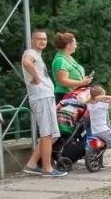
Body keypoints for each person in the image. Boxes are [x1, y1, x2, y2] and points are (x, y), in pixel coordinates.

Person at [22, 29, 65, 177]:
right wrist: (36, 77)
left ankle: (31, 164)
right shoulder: (31, 53)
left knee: (54, 135)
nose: (42, 41)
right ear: (32, 40)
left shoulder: (37, 55)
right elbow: (27, 62)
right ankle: (47, 169)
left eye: (44, 39)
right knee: (47, 133)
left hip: (46, 96)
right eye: (39, 38)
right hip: (41, 96)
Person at [86, 85, 111, 169]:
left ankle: (100, 163)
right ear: (100, 95)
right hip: (104, 130)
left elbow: (85, 100)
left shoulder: (89, 104)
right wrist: (103, 97)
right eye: (103, 94)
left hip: (94, 131)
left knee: (101, 146)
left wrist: (95, 97)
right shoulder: (103, 104)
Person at [50, 32, 92, 98]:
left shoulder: (68, 57)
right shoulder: (60, 60)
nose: (76, 46)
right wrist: (81, 83)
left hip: (73, 95)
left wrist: (83, 81)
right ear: (68, 45)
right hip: (64, 96)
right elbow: (63, 81)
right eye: (75, 44)